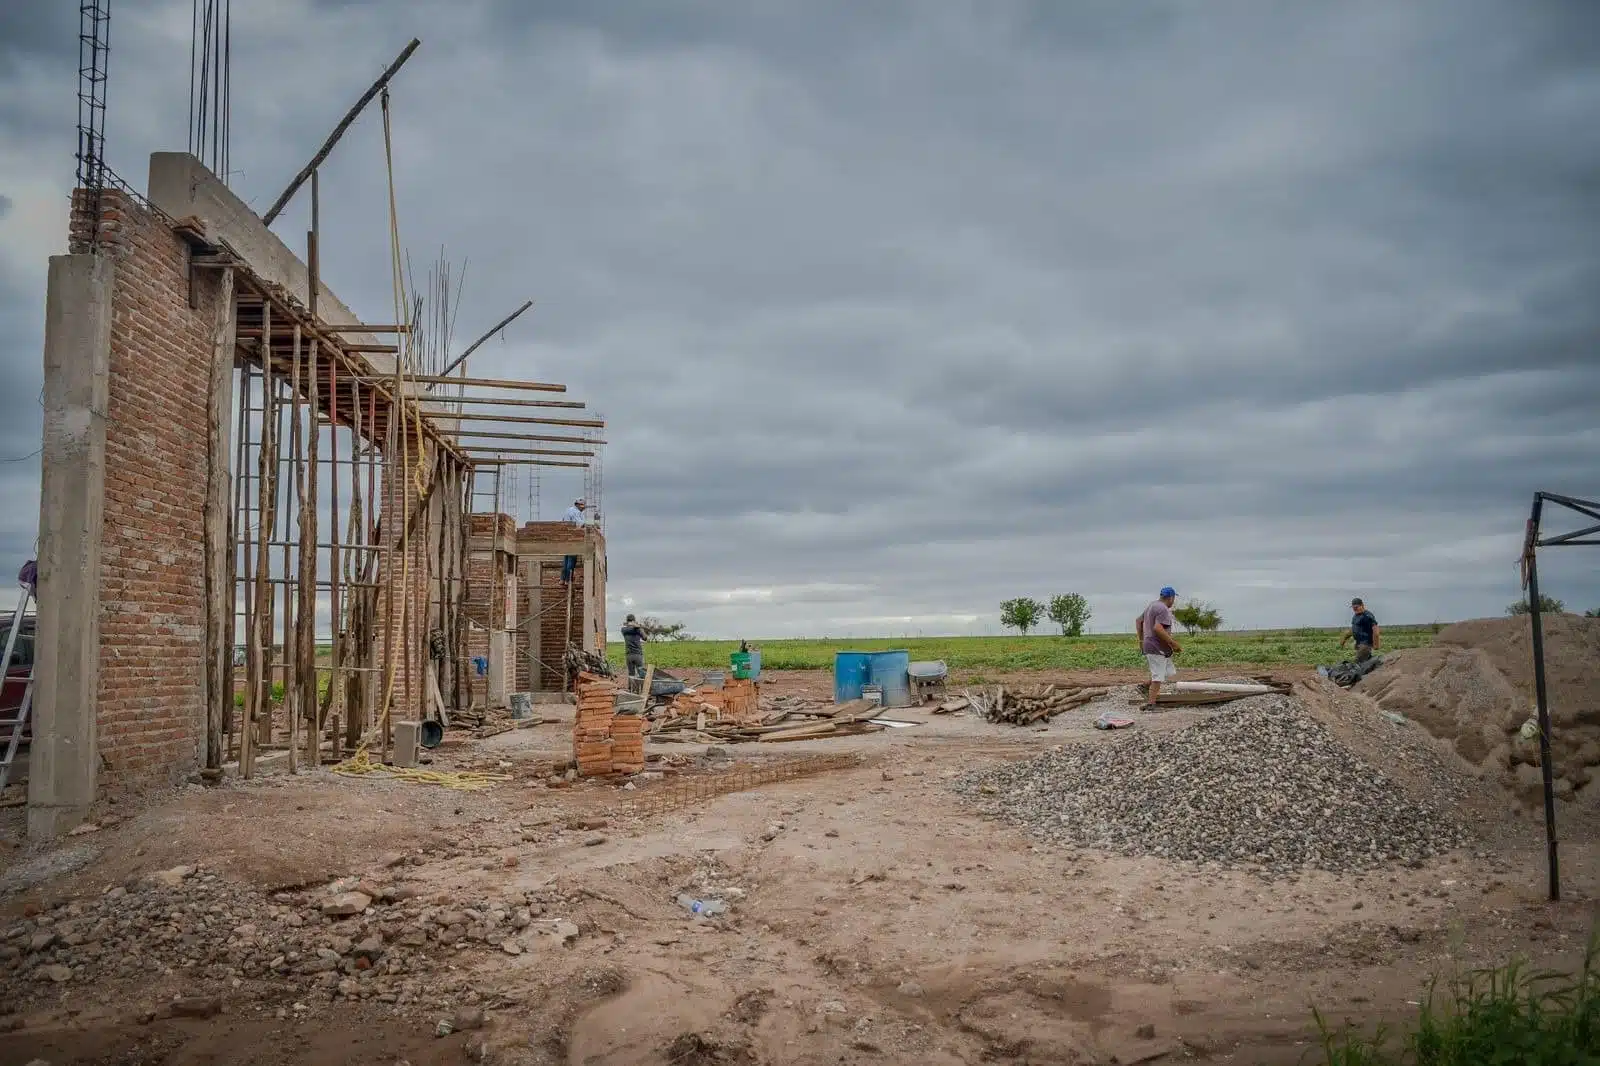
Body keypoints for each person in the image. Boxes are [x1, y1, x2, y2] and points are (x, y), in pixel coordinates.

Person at [1135, 586, 1182, 709]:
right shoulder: (1163, 609)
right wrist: (1173, 643)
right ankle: (1151, 704)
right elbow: (1158, 628)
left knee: (1168, 672)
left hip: (1151, 645)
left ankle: (1145, 686)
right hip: (1157, 646)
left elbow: (1138, 621)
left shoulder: (1152, 605)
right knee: (1158, 676)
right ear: (1171, 598)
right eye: (1174, 598)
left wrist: (1141, 640)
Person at [1340, 597, 1380, 662]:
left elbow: (1376, 631)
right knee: (1364, 661)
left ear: (1362, 605)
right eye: (1353, 608)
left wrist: (1376, 645)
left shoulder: (1367, 616)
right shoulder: (1356, 616)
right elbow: (1354, 629)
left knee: (1358, 662)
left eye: (1356, 607)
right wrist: (1344, 638)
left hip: (1365, 645)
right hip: (1358, 644)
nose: (1355, 609)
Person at [620, 613, 646, 679]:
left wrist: (633, 626)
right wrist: (639, 627)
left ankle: (630, 688)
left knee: (631, 675)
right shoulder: (637, 629)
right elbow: (645, 638)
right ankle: (642, 688)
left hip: (629, 655)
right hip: (638, 655)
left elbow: (628, 628)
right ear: (634, 620)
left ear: (627, 620)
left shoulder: (623, 630)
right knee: (641, 674)